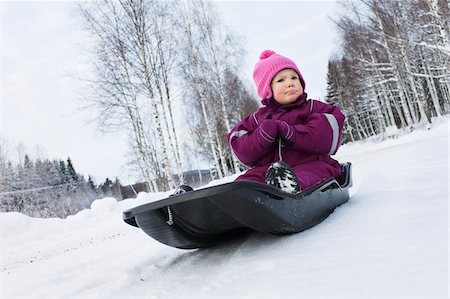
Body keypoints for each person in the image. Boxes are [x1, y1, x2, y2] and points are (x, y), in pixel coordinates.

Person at [227, 50, 345, 194]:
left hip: (311, 163)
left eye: (294, 78)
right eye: (281, 80)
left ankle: (287, 189)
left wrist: (293, 133)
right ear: (268, 90)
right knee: (247, 182)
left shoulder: (313, 108)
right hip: (269, 170)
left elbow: (327, 134)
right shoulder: (258, 119)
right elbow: (239, 144)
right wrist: (260, 138)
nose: (290, 83)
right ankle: (227, 202)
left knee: (310, 174)